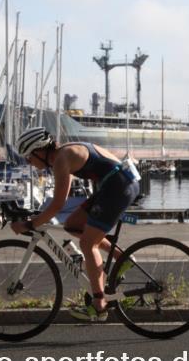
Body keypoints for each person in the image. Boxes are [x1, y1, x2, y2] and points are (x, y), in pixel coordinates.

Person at [11, 126, 140, 321]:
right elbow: (58, 205)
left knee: (88, 244)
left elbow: (57, 205)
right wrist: (37, 217)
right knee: (72, 224)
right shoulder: (65, 154)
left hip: (118, 187)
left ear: (39, 150)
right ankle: (122, 259)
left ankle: (99, 306)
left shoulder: (62, 159)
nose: (28, 161)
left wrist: (29, 225)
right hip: (115, 184)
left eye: (29, 156)